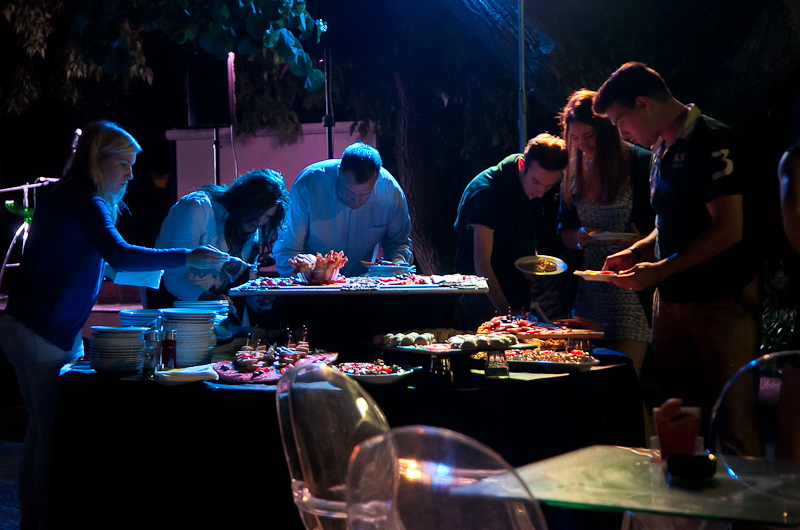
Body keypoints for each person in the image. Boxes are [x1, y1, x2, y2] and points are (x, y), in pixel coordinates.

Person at [0, 121, 228, 529]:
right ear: (96, 158)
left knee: (38, 433)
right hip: (40, 332)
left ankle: (32, 522)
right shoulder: (86, 199)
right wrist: (186, 256)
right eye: (123, 163)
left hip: (29, 327)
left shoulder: (69, 196)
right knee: (50, 438)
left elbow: (104, 263)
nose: (130, 173)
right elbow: (119, 256)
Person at [594, 62, 760, 434]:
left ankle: (742, 491)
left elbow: (729, 227)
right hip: (671, 302)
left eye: (622, 123)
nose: (623, 134)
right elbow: (666, 222)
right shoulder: (661, 150)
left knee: (731, 421)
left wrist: (660, 269)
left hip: (721, 300)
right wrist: (637, 252)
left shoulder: (713, 139)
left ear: (644, 104)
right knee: (679, 416)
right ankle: (684, 490)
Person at [557, 89, 655, 375]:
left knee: (627, 384)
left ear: (607, 131)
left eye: (588, 136)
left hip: (630, 288)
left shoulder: (638, 162)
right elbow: (562, 230)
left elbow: (659, 226)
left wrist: (641, 237)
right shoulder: (572, 168)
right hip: (588, 288)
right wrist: (576, 238)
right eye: (574, 138)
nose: (581, 144)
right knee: (590, 386)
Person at [454, 133, 568, 329]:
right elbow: (481, 264)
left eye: (549, 186)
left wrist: (539, 272)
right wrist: (509, 316)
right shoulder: (487, 193)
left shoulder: (531, 186)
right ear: (522, 165)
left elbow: (527, 239)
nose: (540, 192)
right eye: (536, 183)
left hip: (516, 290)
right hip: (481, 294)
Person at [153, 168, 289, 309]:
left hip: (212, 311)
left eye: (268, 216)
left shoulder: (254, 229)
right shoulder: (198, 208)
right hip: (168, 304)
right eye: (258, 212)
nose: (260, 221)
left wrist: (262, 300)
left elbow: (247, 285)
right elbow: (174, 278)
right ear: (243, 201)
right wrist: (209, 299)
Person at [272, 142, 412, 278]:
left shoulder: (391, 192)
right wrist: (310, 272)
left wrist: (395, 269)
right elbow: (287, 251)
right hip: (313, 290)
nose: (356, 201)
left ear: (376, 180)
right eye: (349, 192)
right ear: (339, 173)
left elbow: (399, 244)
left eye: (365, 195)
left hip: (363, 288)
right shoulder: (308, 186)